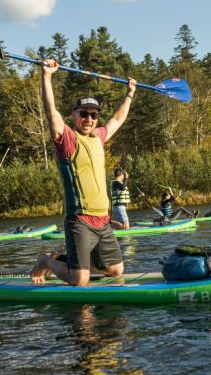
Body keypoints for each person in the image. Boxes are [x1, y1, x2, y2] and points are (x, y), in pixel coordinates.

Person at [30, 60, 137, 285]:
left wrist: (129, 94)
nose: (89, 119)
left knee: (116, 271)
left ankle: (61, 260)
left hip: (103, 221)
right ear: (74, 115)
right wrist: (47, 76)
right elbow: (51, 113)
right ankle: (46, 261)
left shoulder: (98, 137)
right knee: (80, 280)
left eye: (93, 115)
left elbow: (117, 119)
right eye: (84, 114)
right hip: (79, 219)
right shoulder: (67, 139)